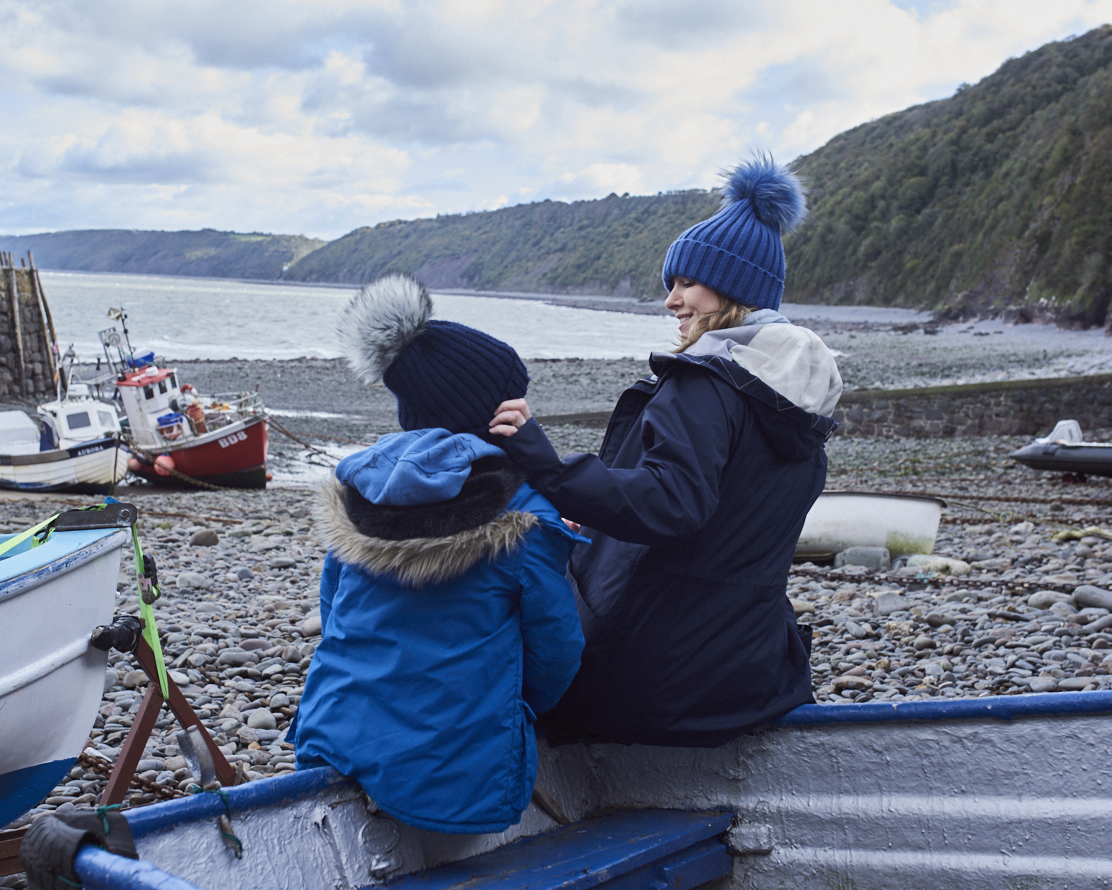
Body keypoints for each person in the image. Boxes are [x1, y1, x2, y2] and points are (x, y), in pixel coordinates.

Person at [488, 157, 842, 748]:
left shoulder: (705, 383)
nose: (672, 302)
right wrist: (598, 516)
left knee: (503, 647)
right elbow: (721, 517)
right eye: (670, 286)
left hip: (656, 684)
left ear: (733, 288)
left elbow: (672, 505)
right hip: (751, 678)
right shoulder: (799, 399)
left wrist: (546, 465)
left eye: (686, 284)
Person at [291, 274, 585, 833]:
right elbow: (556, 653)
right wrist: (515, 711)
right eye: (515, 396)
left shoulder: (360, 492)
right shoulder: (524, 517)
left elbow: (333, 615)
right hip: (451, 780)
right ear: (493, 416)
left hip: (330, 736)